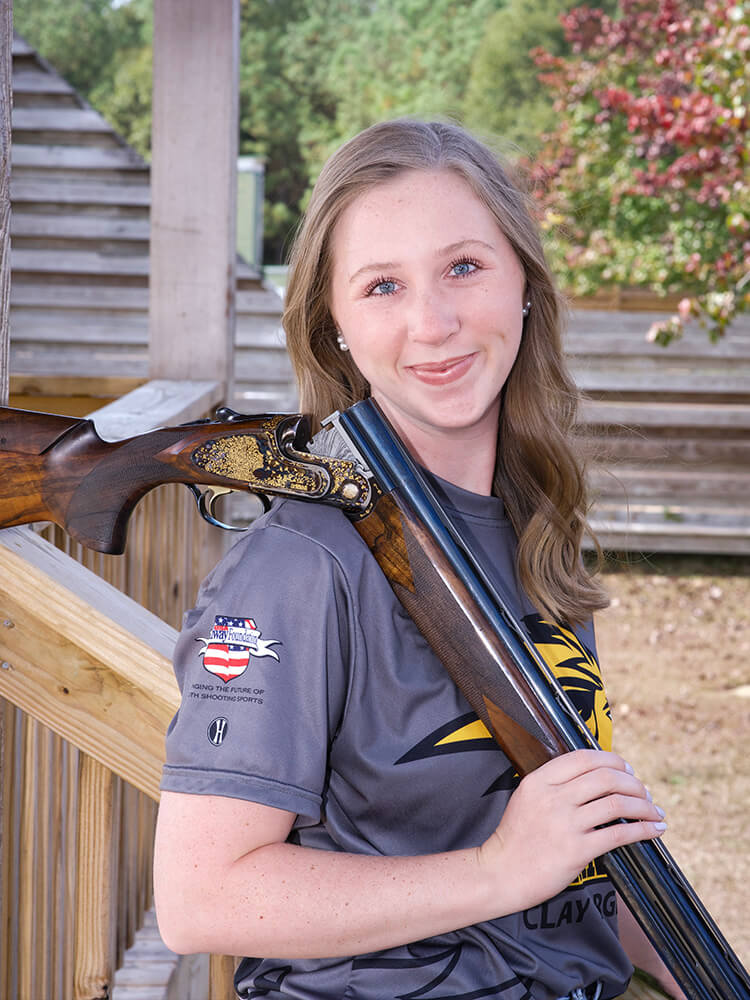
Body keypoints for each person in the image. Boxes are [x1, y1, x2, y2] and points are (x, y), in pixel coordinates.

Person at [154, 119, 685, 1000]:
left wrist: (689, 960)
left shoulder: (529, 526)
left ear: (524, 283)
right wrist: (495, 871)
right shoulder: (298, 565)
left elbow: (566, 865)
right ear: (335, 325)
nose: (432, 323)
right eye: (383, 285)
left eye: (464, 267)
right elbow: (201, 897)